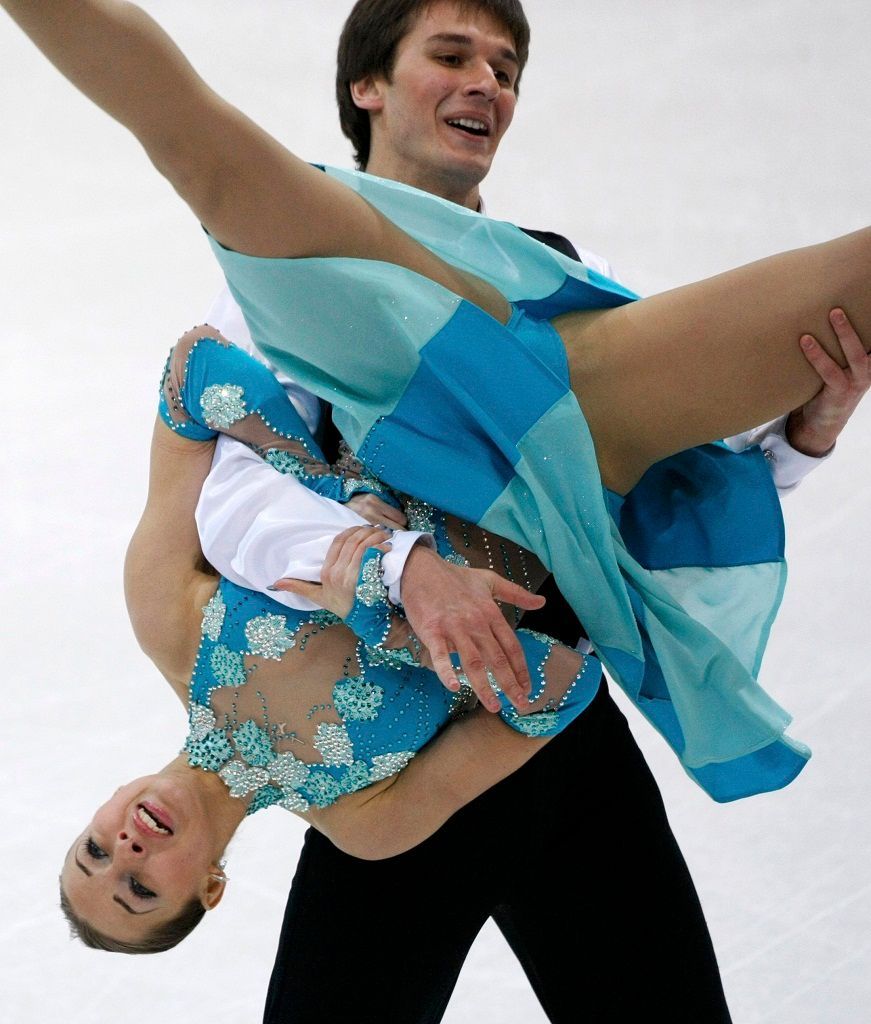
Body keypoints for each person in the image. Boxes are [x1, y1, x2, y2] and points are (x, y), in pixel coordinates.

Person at [3, 0, 868, 1019]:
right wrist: (804, 435)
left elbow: (198, 397)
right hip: (529, 510)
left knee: (197, 146)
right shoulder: (362, 817)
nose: (485, 84)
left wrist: (381, 557)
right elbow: (584, 621)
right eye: (451, 56)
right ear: (367, 86)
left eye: (501, 67)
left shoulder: (175, 599)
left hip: (446, 360)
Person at [60, 324, 605, 955]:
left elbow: (194, 369)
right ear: (210, 890)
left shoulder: (164, 619)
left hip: (438, 359)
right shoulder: (369, 821)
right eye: (139, 888)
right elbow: (567, 682)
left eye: (94, 850)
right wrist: (393, 622)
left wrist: (340, 498)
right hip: (572, 452)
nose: (125, 851)